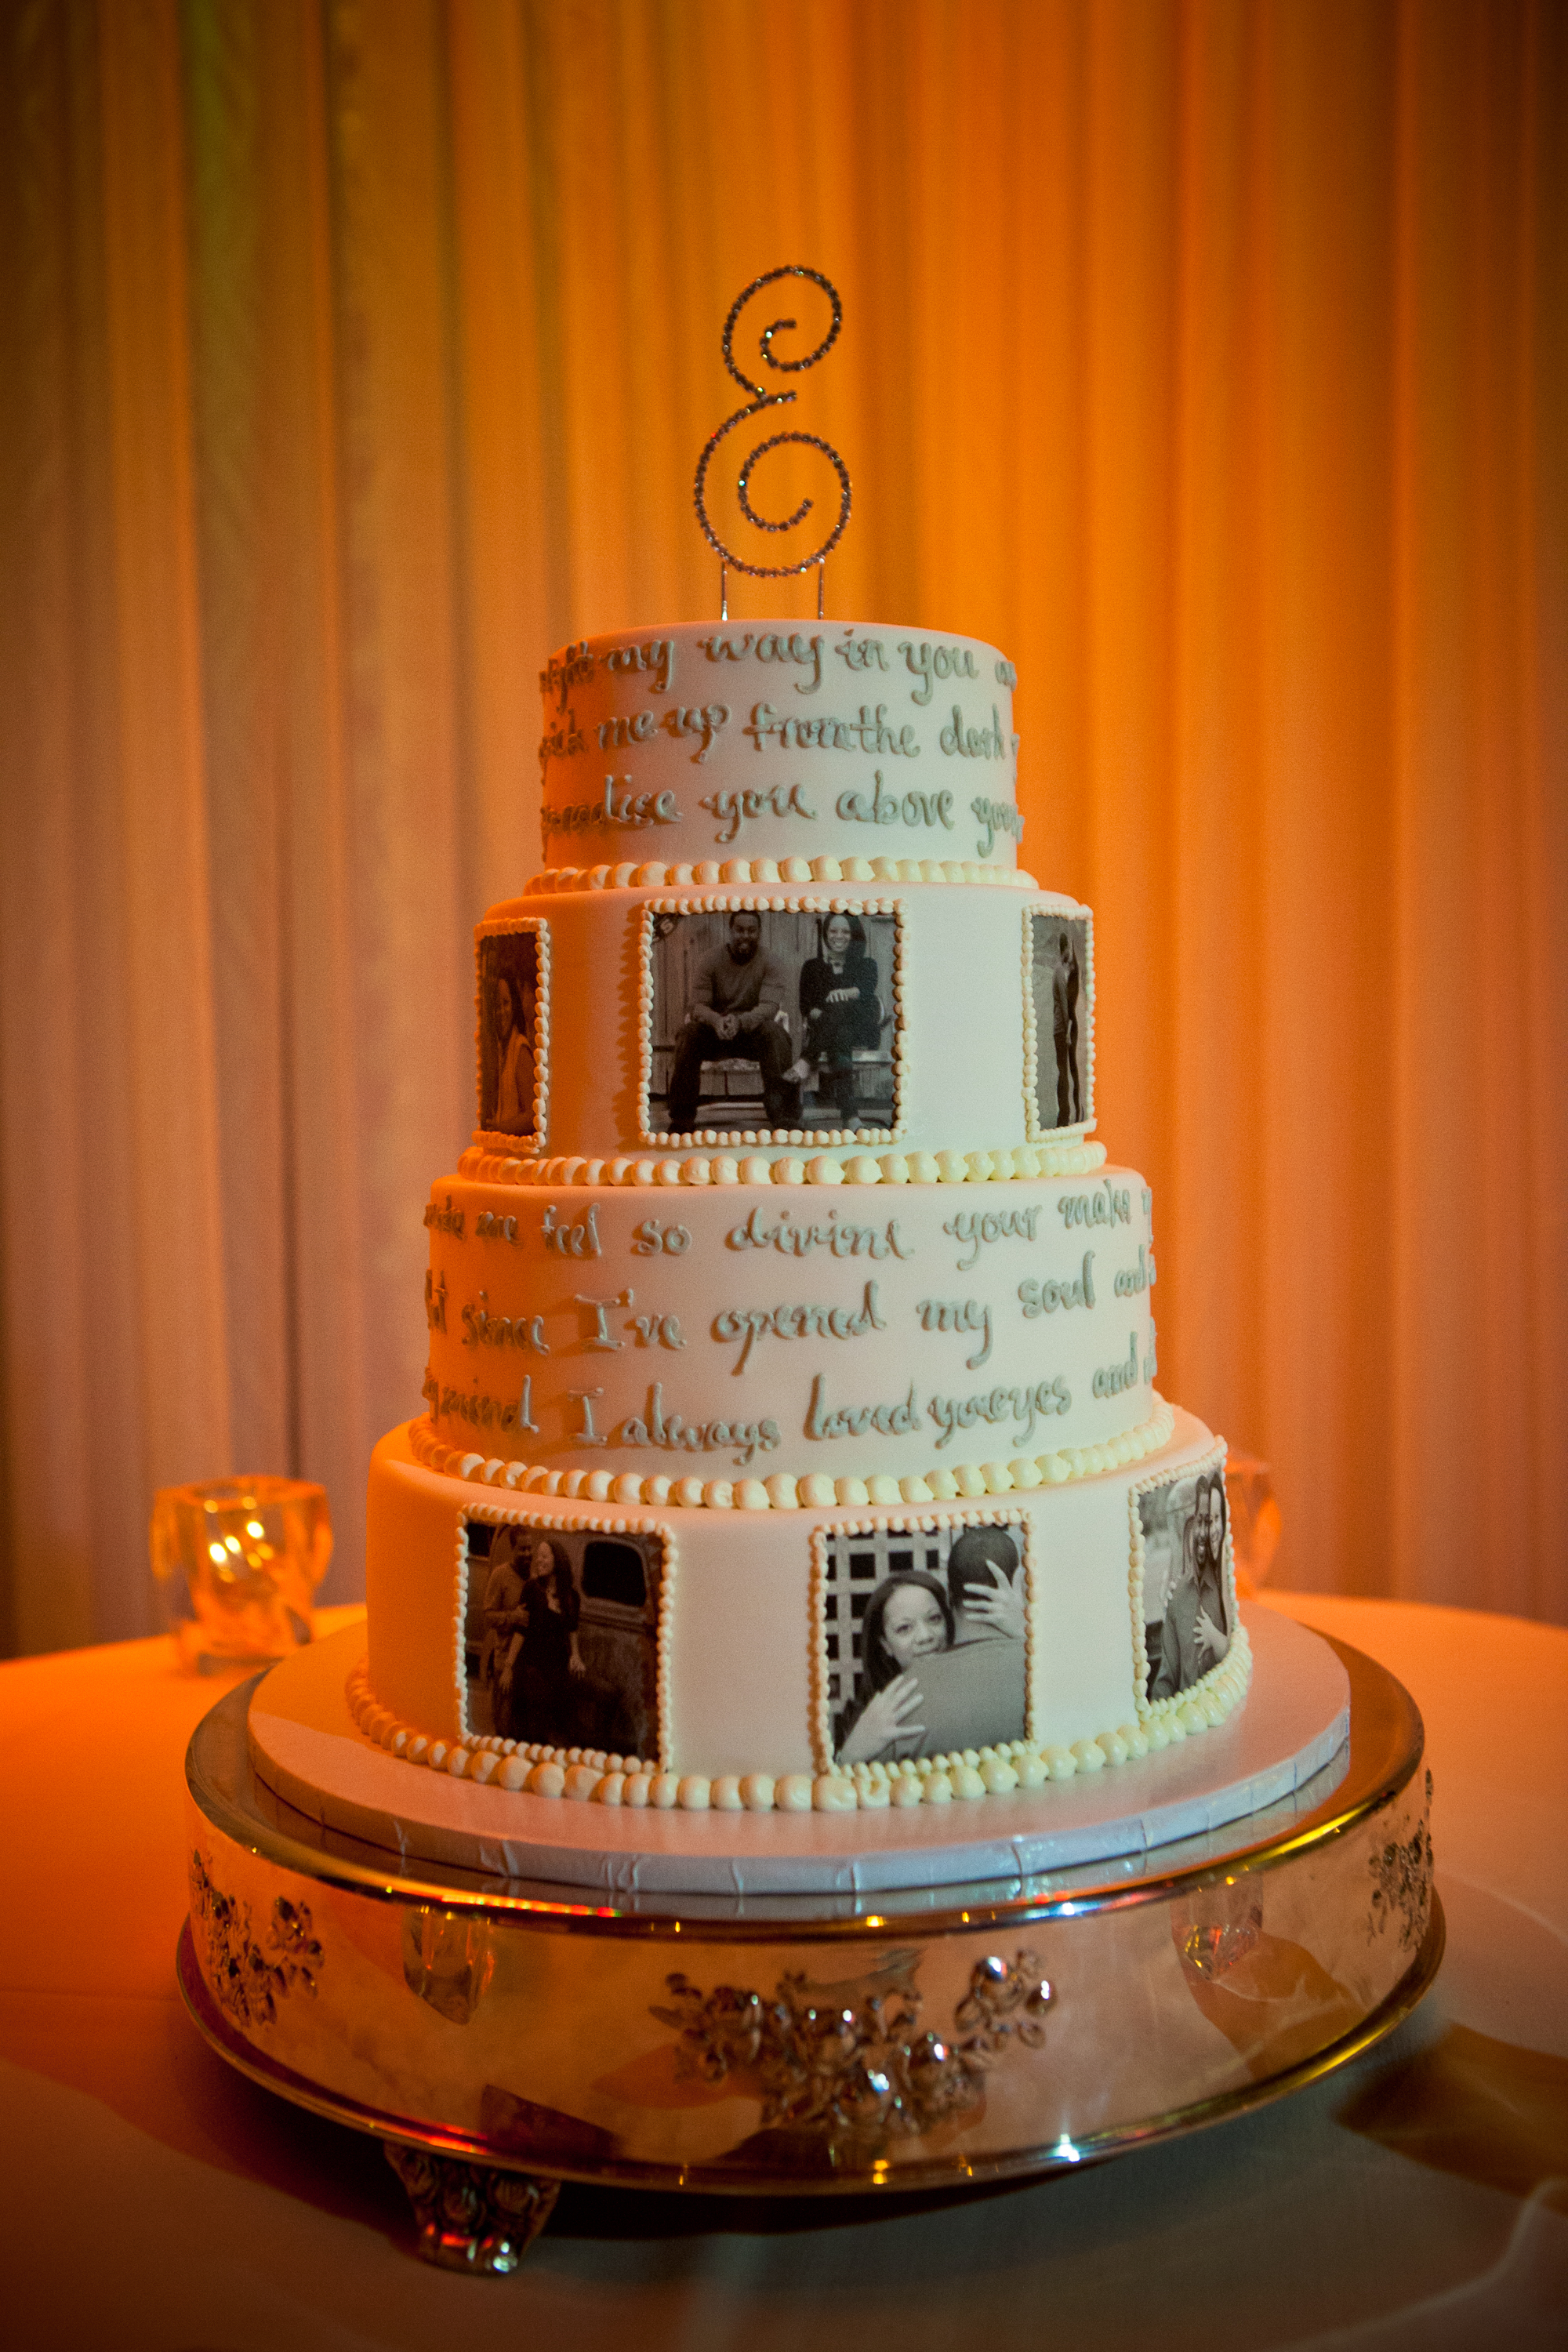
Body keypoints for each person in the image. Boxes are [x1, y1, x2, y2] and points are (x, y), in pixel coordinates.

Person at [665, 909, 800, 1131]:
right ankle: (682, 1119)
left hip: (752, 1034)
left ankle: (784, 1116)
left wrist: (740, 1022)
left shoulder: (770, 961)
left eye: (751, 931)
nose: (745, 936)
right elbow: (698, 1005)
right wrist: (716, 1021)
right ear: (731, 931)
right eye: (739, 930)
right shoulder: (710, 959)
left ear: (759, 932)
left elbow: (769, 1007)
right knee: (688, 1034)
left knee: (777, 1035)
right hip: (716, 1034)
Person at [835, 1571, 954, 1767]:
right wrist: (851, 1753)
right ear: (886, 1645)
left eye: (934, 1619)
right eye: (904, 1628)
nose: (925, 1636)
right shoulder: (866, 1717)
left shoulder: (973, 1684)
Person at [789, 911, 882, 1127]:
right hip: (831, 1033)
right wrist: (827, 1018)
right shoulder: (812, 967)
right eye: (833, 931)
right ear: (825, 933)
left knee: (840, 1008)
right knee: (840, 1032)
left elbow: (866, 990)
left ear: (854, 935)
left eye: (845, 932)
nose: (838, 936)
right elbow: (807, 1006)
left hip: (861, 1029)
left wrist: (845, 993)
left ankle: (807, 1059)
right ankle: (851, 1116)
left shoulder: (867, 965)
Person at [1150, 1472, 1229, 1700]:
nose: (1202, 1534)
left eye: (1208, 1521)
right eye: (1195, 1525)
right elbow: (1166, 1679)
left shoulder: (1223, 1586)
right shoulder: (1177, 1599)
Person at [514, 1537, 586, 1741]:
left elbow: (572, 1629)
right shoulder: (531, 1589)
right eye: (538, 1556)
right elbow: (521, 1630)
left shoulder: (571, 1597)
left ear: (558, 1561)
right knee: (536, 1717)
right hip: (532, 1666)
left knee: (565, 1715)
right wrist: (509, 1665)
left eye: (544, 1556)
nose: (538, 1560)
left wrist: (576, 1656)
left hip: (557, 1666)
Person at [479, 1528, 528, 1737]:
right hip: (503, 1657)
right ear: (513, 1549)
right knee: (502, 1723)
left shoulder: (533, 1576)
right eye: (522, 1549)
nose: (527, 1554)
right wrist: (512, 1617)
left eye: (530, 1549)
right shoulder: (500, 1575)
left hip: (527, 1663)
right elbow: (488, 1615)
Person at [946, 1526, 1027, 1646]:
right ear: (1017, 1587)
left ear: (949, 1593)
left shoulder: (926, 1656)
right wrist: (1023, 1633)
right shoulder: (1031, 1652)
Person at [490, 969, 535, 1136]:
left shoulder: (520, 1049)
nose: (501, 1012)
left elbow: (533, 1115)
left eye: (506, 1003)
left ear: (514, 1005)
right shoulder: (500, 1052)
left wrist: (499, 1129)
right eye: (496, 1006)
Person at [1051, 927, 1082, 1126]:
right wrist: (1068, 1031)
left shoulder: (1059, 970)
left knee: (1062, 1070)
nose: (1070, 953)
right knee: (1063, 1072)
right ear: (1065, 950)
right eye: (1069, 949)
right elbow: (1063, 1002)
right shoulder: (1059, 972)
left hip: (1058, 1027)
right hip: (1061, 1029)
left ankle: (1064, 1114)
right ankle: (1064, 1115)